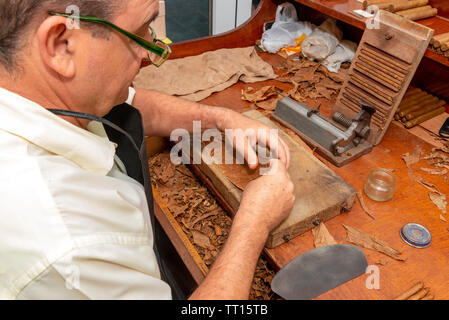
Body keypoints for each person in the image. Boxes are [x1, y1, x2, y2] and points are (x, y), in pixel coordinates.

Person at [0, 0, 295, 300]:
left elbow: (131, 101)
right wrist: (253, 223)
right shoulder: (71, 250)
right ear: (61, 43)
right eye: (139, 33)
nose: (148, 54)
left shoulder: (29, 85)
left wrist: (223, 119)